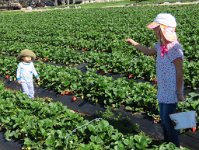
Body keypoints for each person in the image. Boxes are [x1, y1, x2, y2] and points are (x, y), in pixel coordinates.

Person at [126, 13, 185, 147]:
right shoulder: (159, 45)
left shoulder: (175, 48)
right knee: (164, 119)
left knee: (167, 119)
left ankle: (174, 145)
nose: (154, 32)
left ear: (163, 30)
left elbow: (180, 72)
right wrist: (134, 43)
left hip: (172, 90)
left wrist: (180, 92)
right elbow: (148, 51)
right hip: (163, 88)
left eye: (156, 29)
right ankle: (167, 142)